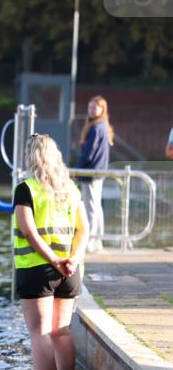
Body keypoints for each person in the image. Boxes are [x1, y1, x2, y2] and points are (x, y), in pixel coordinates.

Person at [13, 134, 88, 370]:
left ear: (31, 156)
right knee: (61, 331)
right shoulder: (70, 188)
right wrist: (72, 260)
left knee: (40, 332)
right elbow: (83, 230)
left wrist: (53, 261)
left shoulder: (26, 189)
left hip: (37, 269)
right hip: (69, 271)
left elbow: (30, 233)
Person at [74, 95, 114, 252]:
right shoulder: (102, 126)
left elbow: (88, 153)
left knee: (91, 207)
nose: (90, 110)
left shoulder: (97, 128)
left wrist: (77, 169)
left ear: (102, 109)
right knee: (96, 207)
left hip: (91, 172)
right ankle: (97, 241)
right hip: (97, 172)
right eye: (89, 107)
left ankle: (90, 241)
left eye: (94, 107)